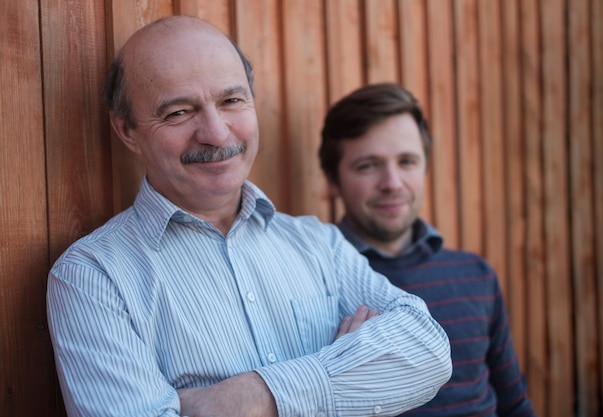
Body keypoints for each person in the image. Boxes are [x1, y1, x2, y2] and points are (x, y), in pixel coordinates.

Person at [46, 17, 452, 417]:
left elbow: (428, 350)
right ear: (127, 131)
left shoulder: (319, 243)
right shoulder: (93, 277)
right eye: (178, 112)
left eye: (231, 101)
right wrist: (343, 372)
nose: (217, 134)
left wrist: (255, 396)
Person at [318, 82, 537, 417]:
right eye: (368, 165)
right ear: (333, 180)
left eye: (407, 161)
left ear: (424, 167)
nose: (392, 182)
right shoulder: (313, 287)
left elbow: (514, 404)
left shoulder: (475, 275)